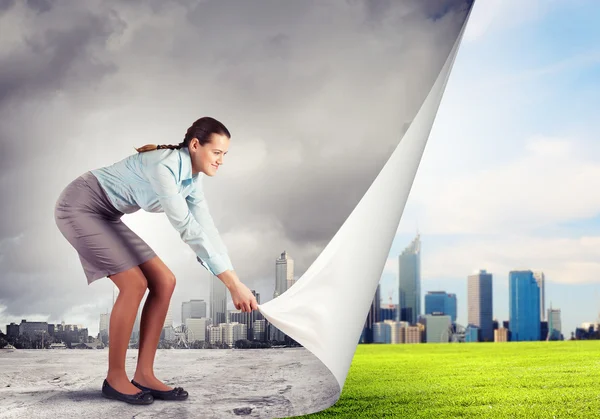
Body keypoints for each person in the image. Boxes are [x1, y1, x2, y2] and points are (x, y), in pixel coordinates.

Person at [54, 116, 258, 405]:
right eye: (217, 152)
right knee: (134, 283)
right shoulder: (164, 167)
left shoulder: (191, 180)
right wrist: (231, 285)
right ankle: (114, 378)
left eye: (225, 154)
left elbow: (207, 230)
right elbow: (187, 228)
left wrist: (235, 281)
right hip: (78, 207)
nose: (221, 160)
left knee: (165, 280)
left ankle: (145, 374)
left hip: (107, 216)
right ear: (196, 145)